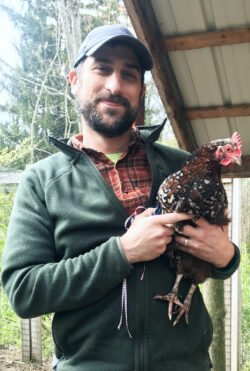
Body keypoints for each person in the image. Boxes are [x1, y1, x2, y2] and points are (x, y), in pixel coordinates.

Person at [1, 24, 240, 371]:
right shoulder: (43, 181)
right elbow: (24, 291)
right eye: (102, 69)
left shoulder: (182, 166)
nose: (115, 85)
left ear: (140, 91)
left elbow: (218, 255)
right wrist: (122, 252)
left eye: (129, 75)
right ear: (74, 79)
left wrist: (226, 256)